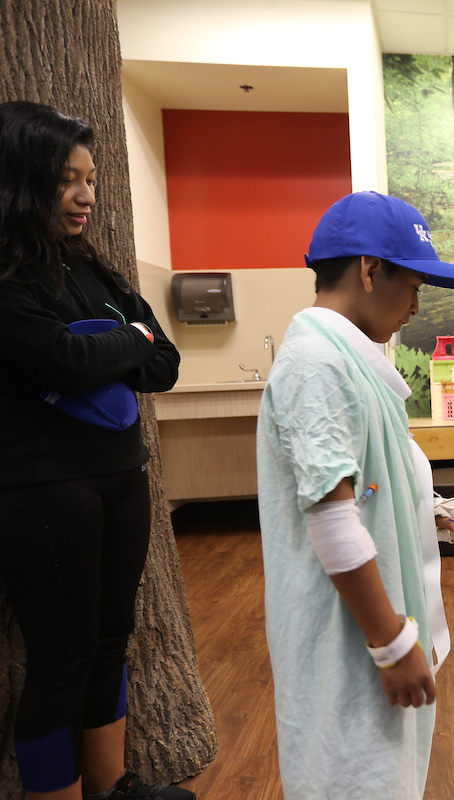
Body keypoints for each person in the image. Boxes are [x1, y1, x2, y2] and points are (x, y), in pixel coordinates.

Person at [255, 191, 454, 800]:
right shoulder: (317, 366)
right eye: (414, 284)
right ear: (369, 269)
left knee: (387, 773)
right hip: (349, 637)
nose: (416, 303)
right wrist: (392, 641)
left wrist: (432, 513)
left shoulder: (351, 361)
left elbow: (371, 482)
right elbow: (333, 522)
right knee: (354, 778)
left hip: (373, 625)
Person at [0, 102, 190, 800]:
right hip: (42, 489)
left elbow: (163, 361)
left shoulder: (93, 269)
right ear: (24, 179)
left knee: (113, 642)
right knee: (60, 661)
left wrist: (113, 345)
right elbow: (61, 362)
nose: (84, 196)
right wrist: (125, 343)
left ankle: (111, 788)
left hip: (120, 475)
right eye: (66, 180)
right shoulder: (8, 276)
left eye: (90, 179)